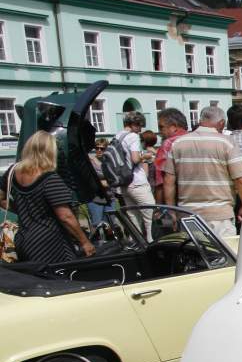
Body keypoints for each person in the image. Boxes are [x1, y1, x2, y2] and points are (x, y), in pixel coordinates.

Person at [1, 131, 94, 262]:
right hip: (50, 243)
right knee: (63, 274)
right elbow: (65, 216)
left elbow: (1, 198)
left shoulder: (12, 172)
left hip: (22, 239)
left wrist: (20, 210)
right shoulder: (50, 179)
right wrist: (85, 242)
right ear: (50, 151)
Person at [162, 105, 242, 237]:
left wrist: (172, 212)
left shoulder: (178, 143)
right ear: (221, 123)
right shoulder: (227, 143)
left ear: (200, 121)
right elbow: (240, 179)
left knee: (194, 250)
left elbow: (168, 181)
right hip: (220, 214)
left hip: (188, 214)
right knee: (224, 249)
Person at [115, 111, 157, 241]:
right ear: (134, 124)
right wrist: (146, 156)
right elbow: (135, 159)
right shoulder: (132, 136)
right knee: (149, 211)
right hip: (137, 181)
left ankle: (137, 242)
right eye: (140, 126)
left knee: (133, 215)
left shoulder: (118, 136)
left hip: (124, 182)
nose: (140, 130)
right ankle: (150, 241)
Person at [154, 108, 188, 200]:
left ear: (173, 127)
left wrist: (158, 205)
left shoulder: (168, 144)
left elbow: (160, 180)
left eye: (161, 127)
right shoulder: (194, 140)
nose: (160, 132)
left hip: (175, 197)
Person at [86, 138, 115, 226]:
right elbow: (88, 179)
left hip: (110, 197)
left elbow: (115, 178)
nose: (99, 150)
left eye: (102, 148)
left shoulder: (110, 161)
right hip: (95, 198)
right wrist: (104, 182)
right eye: (97, 148)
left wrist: (106, 182)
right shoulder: (90, 161)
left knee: (110, 224)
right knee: (97, 224)